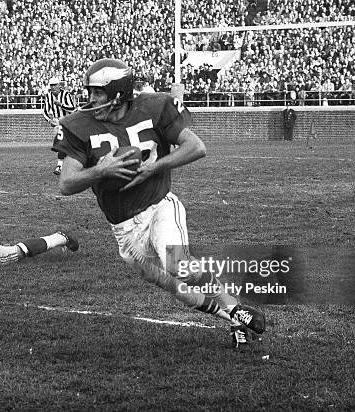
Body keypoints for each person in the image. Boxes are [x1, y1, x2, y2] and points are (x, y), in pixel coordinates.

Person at [54, 58, 266, 347]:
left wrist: (153, 168)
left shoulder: (154, 107)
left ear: (118, 93)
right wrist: (101, 170)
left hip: (159, 206)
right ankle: (234, 316)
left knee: (177, 265)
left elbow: (196, 147)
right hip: (124, 230)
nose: (91, 99)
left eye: (98, 93)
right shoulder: (79, 125)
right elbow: (66, 183)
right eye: (90, 92)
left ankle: (236, 309)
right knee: (175, 285)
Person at [42, 77, 76, 175]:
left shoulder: (65, 95)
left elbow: (72, 108)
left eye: (54, 85)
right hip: (57, 122)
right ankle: (62, 165)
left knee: (64, 144)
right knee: (62, 144)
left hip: (68, 121)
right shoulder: (48, 96)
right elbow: (45, 111)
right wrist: (49, 120)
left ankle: (60, 166)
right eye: (51, 85)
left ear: (59, 85)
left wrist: (61, 104)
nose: (52, 87)